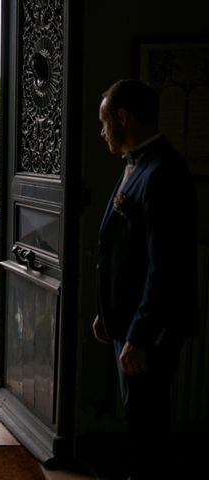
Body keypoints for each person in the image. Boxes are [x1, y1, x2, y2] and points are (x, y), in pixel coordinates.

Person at [93, 79, 199, 479]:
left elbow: (164, 266)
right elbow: (121, 250)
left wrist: (138, 336)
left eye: (105, 123)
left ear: (123, 117)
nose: (102, 133)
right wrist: (107, 314)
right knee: (135, 416)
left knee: (146, 423)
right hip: (127, 319)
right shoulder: (139, 163)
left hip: (150, 330)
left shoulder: (163, 172)